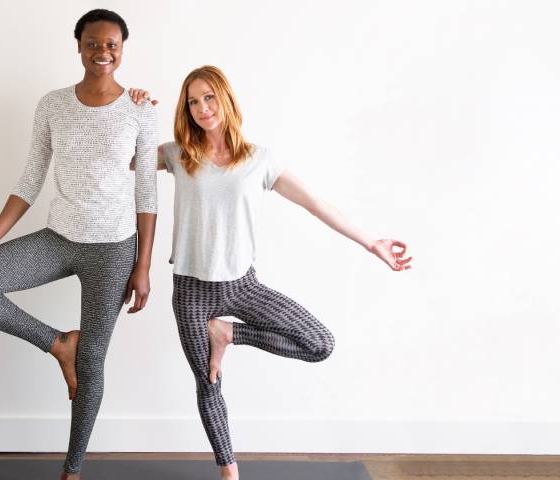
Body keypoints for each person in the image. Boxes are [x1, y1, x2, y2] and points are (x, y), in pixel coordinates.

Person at [129, 65, 411, 480]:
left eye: (209, 97)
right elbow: (125, 159)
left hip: (242, 287)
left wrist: (372, 242)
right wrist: (132, 111)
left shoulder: (259, 159)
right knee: (209, 382)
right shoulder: (178, 154)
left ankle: (227, 333)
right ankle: (229, 472)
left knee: (319, 343)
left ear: (226, 99)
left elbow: (316, 204)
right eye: (193, 102)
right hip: (191, 290)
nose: (202, 108)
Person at [0, 9, 158, 479]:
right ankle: (58, 344)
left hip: (113, 250)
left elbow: (147, 192)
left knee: (92, 362)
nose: (102, 52)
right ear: (78, 46)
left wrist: (143, 265)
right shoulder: (53, 104)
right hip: (59, 239)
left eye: (112, 44)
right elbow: (31, 177)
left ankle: (72, 470)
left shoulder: (140, 109)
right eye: (93, 43)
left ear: (122, 49)